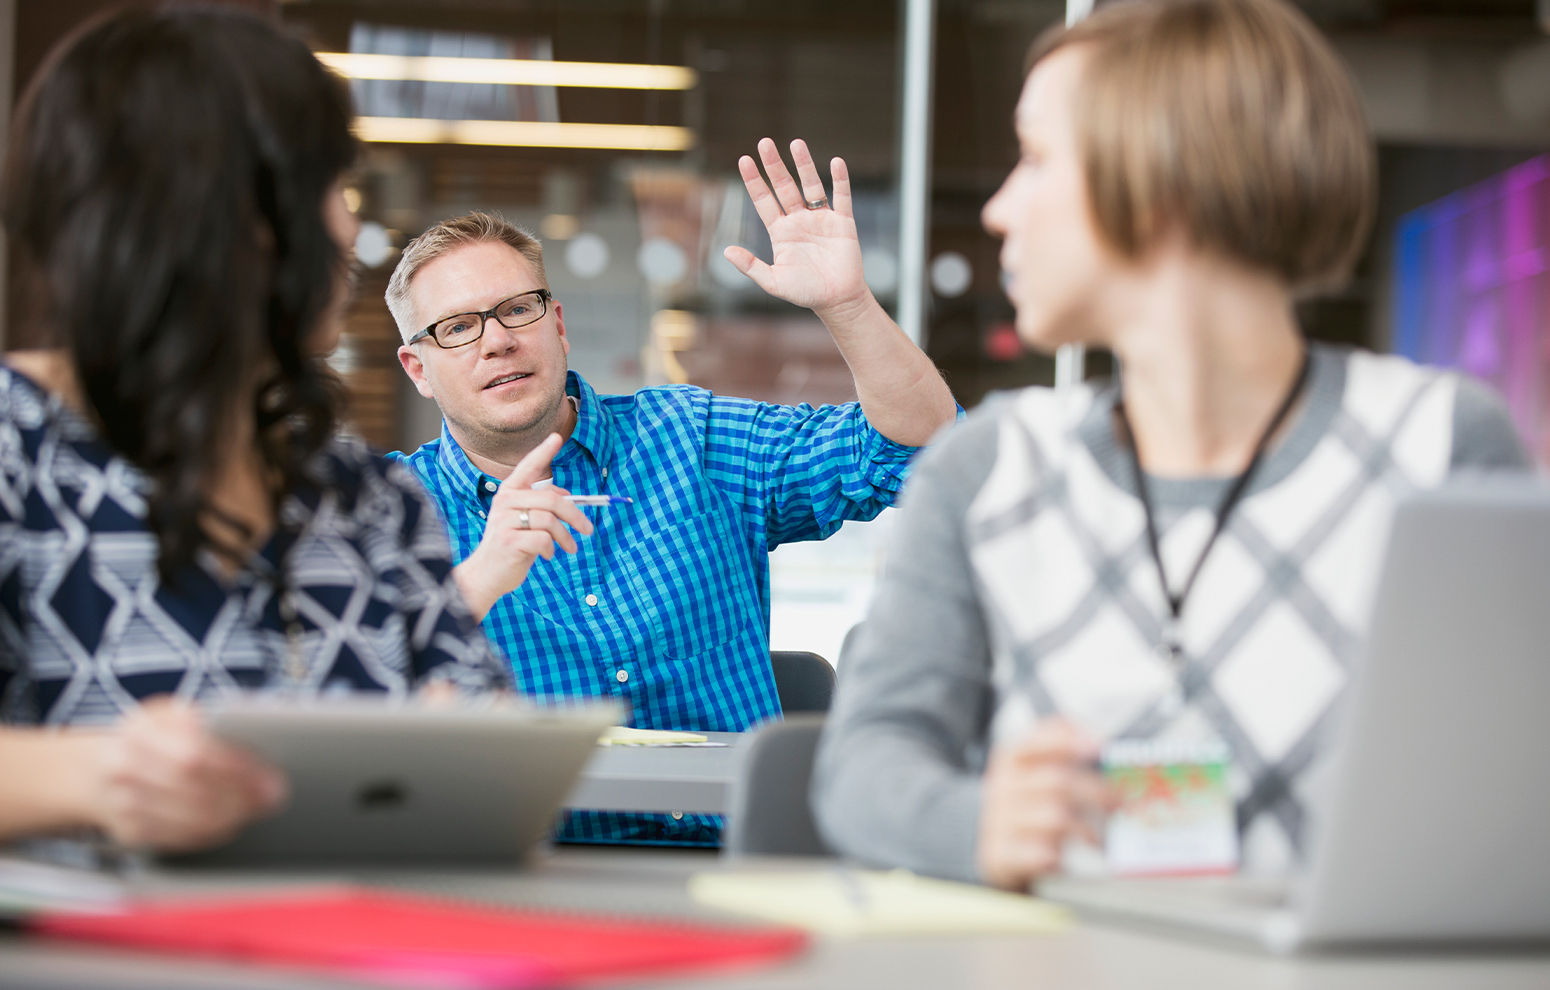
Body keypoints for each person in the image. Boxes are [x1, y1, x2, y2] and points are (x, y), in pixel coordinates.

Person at [811, 0, 1530, 891]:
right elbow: (863, 768)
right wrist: (977, 823)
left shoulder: (1440, 446)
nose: (999, 209)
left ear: (1164, 180)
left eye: (1035, 159)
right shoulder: (990, 466)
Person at [0, 6, 520, 854]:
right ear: (219, 214)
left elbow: (479, 728)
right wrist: (97, 778)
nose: (350, 231)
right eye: (328, 190)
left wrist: (468, 755)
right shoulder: (16, 444)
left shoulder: (364, 495)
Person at [387, 144, 960, 846]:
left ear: (557, 325)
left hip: (738, 860)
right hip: (530, 874)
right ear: (418, 367)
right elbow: (333, 702)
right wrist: (477, 579)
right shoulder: (390, 510)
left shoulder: (690, 438)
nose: (497, 341)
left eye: (517, 309)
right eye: (457, 327)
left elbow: (918, 451)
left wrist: (847, 306)